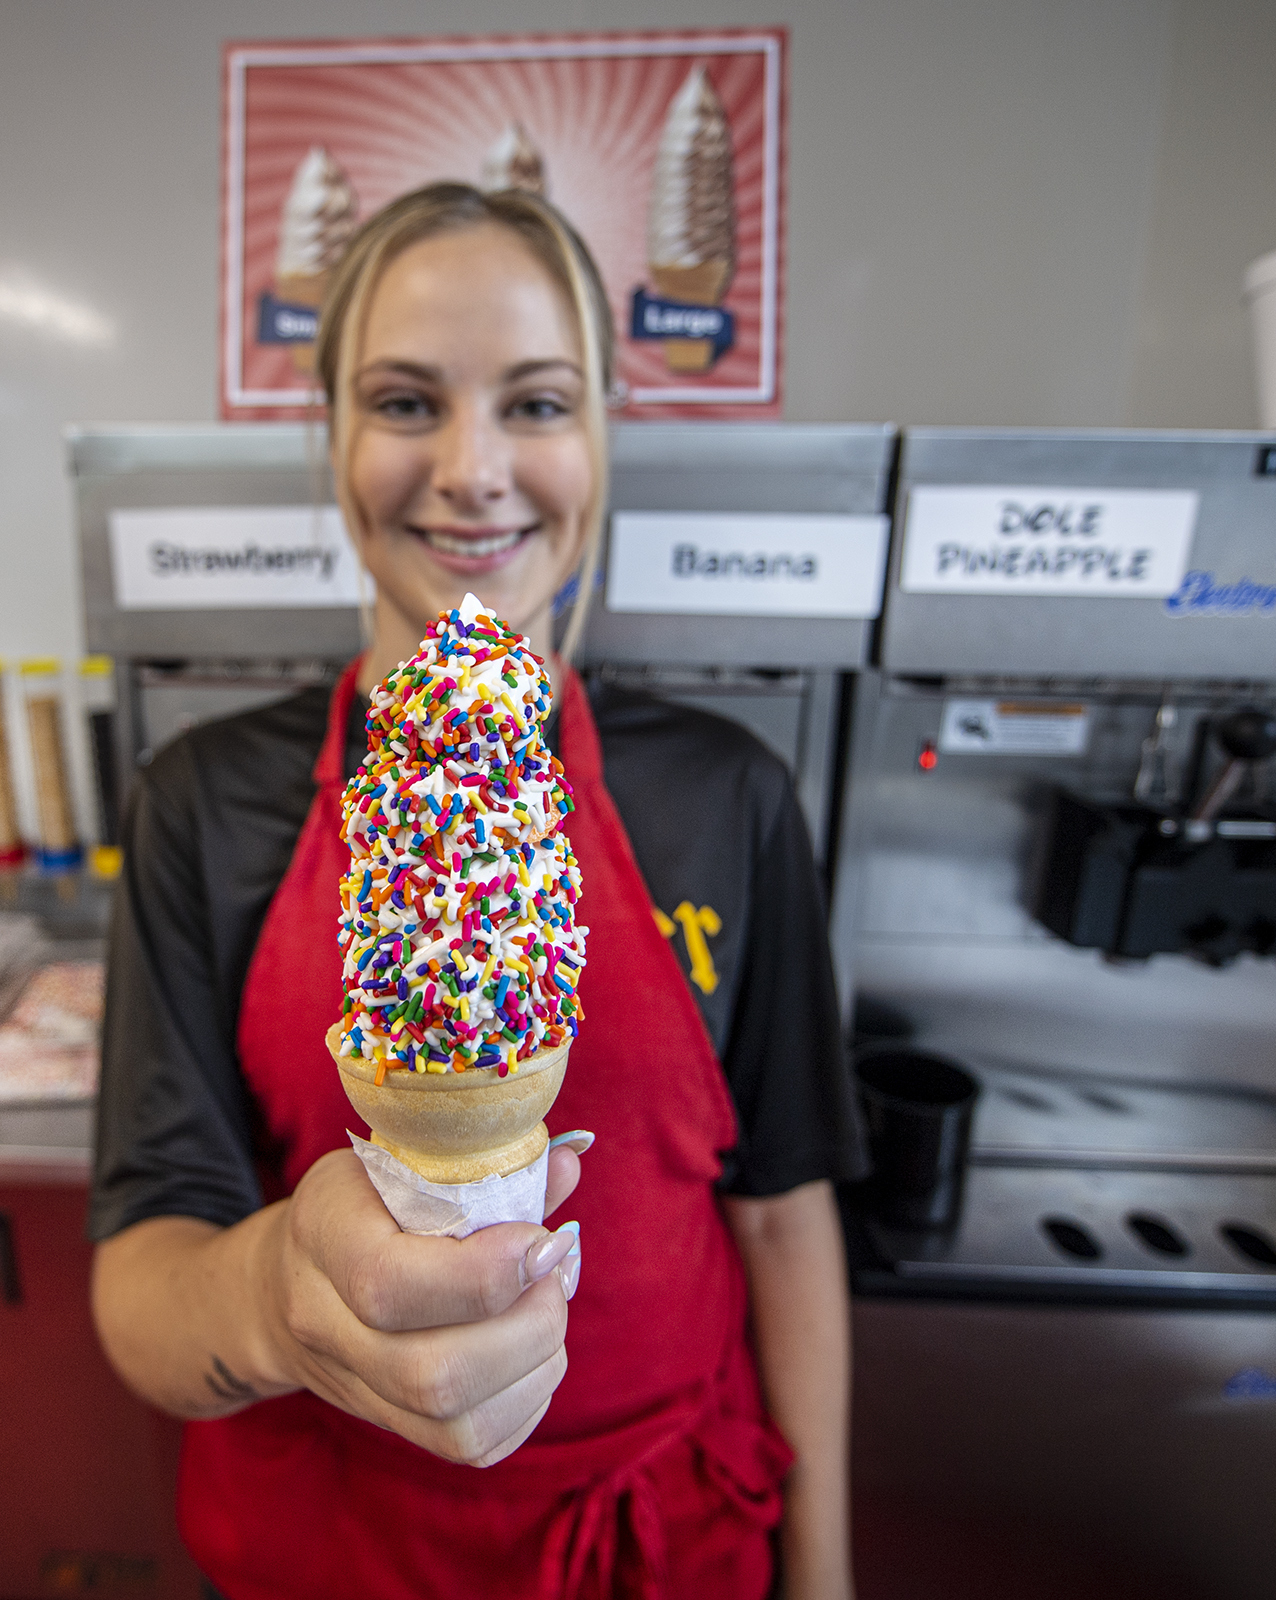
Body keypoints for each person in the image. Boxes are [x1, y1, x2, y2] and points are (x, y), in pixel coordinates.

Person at [91, 182, 864, 1600]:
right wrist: (273, 1295)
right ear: (329, 433)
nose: (472, 469)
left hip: (663, 1541)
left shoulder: (727, 793)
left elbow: (781, 1211)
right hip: (333, 1546)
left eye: (536, 402)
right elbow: (145, 1278)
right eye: (402, 402)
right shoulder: (204, 801)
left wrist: (823, 1577)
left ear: (602, 437)